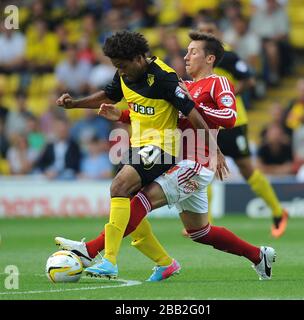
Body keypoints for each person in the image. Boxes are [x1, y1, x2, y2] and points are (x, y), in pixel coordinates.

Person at [56, 32, 276, 281]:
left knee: (137, 200)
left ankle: (92, 251)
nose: (186, 56)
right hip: (177, 161)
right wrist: (120, 116)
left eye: (193, 51)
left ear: (210, 58)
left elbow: (229, 117)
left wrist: (198, 113)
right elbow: (161, 117)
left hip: (195, 162)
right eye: (187, 51)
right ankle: (259, 256)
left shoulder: (218, 83)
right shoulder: (183, 85)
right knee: (200, 232)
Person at [196, 19, 288, 238]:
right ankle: (206, 224)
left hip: (233, 121)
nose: (206, 35)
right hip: (209, 122)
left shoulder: (226, 57)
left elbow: (249, 78)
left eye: (210, 30)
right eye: (202, 31)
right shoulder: (196, 58)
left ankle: (278, 211)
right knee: (203, 168)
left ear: (218, 33)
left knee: (246, 168)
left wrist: (229, 94)